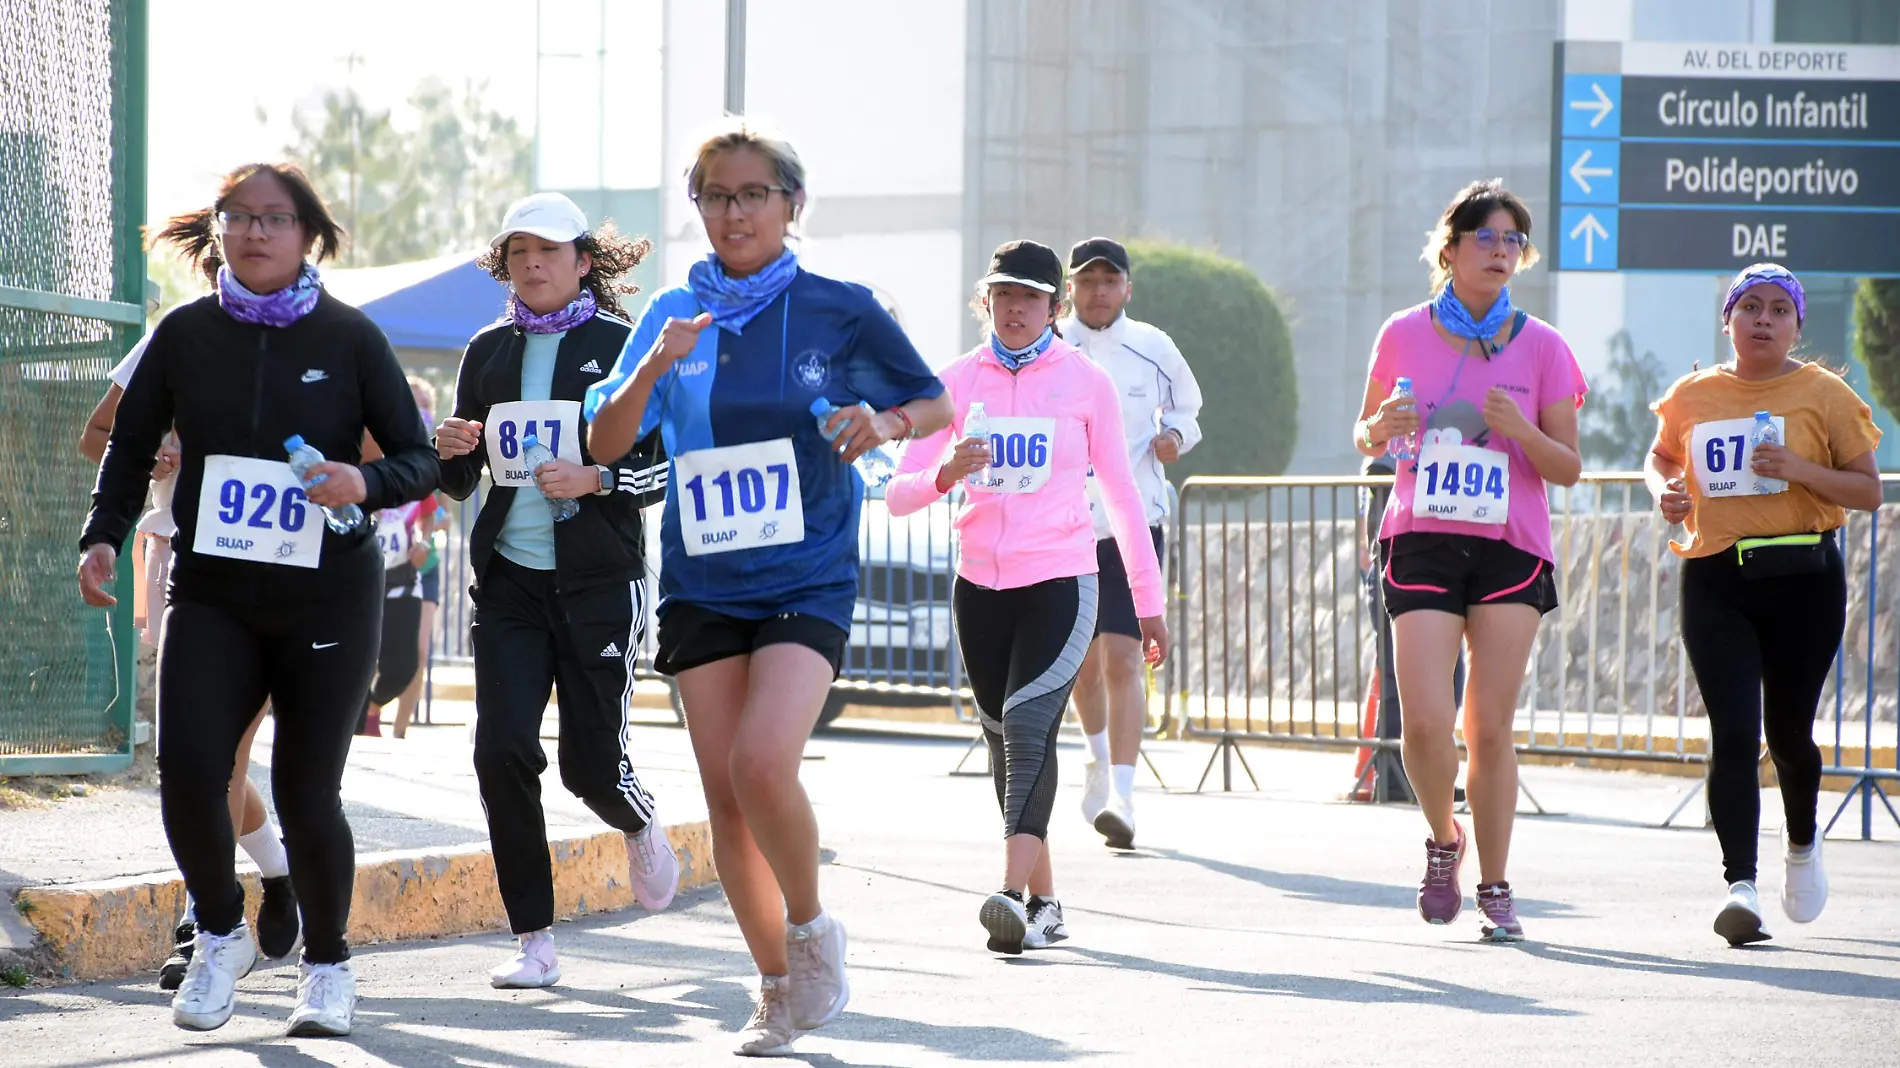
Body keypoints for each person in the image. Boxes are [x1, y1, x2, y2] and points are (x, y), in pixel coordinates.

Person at [585, 122, 951, 1056]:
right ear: (697, 207)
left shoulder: (841, 308)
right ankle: (777, 989)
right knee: (726, 802)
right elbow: (604, 445)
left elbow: (935, 404)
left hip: (808, 573)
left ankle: (813, 925)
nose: (734, 211)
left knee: (761, 762)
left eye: (754, 194)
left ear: (792, 204)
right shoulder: (673, 312)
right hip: (704, 582)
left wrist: (885, 418)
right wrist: (655, 367)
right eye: (715, 195)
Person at [77, 162, 439, 1036]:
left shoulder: (350, 338)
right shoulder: (185, 333)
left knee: (311, 791)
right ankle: (220, 930)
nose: (254, 232)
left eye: (275, 219)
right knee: (188, 773)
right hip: (214, 589)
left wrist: (364, 479)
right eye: (238, 216)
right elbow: (127, 448)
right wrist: (101, 535)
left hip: (326, 596)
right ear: (220, 229)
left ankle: (327, 966)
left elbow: (421, 461)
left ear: (308, 235)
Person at [888, 239, 1170, 957]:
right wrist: (945, 473)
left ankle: (1009, 895)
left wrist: (1147, 600)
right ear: (986, 301)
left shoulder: (1085, 382)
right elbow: (897, 491)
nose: (1016, 309)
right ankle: (1045, 904)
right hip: (979, 586)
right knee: (1004, 741)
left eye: (1031, 298)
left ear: (1055, 306)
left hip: (1062, 579)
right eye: (1004, 295)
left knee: (1026, 722)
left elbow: (1123, 495)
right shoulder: (952, 382)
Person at [434, 192, 680, 990]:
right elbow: (462, 478)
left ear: (583, 261)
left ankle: (637, 819)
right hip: (510, 580)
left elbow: (663, 469)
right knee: (500, 750)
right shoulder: (487, 350)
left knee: (589, 769)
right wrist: (449, 447)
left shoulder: (622, 345)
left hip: (598, 583)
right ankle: (533, 938)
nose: (532, 264)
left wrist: (597, 475)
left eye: (548, 250)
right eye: (517, 252)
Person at [1351, 179, 1585, 943]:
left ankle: (1495, 883)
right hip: (1421, 534)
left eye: (1512, 239)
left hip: (1509, 545)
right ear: (1448, 250)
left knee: (1488, 726)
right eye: (1484, 236)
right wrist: (1381, 426)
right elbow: (1366, 435)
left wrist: (1519, 426)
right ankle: (1443, 838)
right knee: (1423, 723)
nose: (1499, 249)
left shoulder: (1543, 346)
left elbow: (1568, 468)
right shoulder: (1402, 332)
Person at [1644, 264, 1881, 946]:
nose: (1763, 320)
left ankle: (1802, 843)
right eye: (1750, 307)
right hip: (1716, 578)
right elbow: (1659, 456)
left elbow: (1867, 491)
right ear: (1729, 319)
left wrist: (1798, 469)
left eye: (1780, 309)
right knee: (1734, 733)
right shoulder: (1694, 393)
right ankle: (1740, 886)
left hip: (1804, 577)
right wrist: (1666, 490)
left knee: (1788, 736)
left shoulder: (1824, 394)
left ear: (1798, 325)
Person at [79, 343, 301, 988]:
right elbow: (99, 435)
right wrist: (154, 455)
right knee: (199, 752)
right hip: (178, 556)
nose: (248, 245)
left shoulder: (317, 336)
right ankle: (276, 869)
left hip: (269, 562)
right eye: (228, 241)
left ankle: (203, 918)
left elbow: (373, 454)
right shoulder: (175, 338)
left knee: (224, 749)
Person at [1058, 236, 1201, 849]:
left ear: (1127, 288)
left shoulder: (1154, 347)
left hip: (1133, 523)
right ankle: (1095, 759)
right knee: (1082, 668)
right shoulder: (1051, 346)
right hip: (1061, 528)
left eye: (1109, 281)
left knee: (1122, 658)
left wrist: (1174, 438)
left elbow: (1190, 412)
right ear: (1070, 289)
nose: (1098, 292)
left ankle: (1123, 794)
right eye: (1087, 281)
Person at [394, 377, 449, 741]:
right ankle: (367, 718)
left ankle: (399, 732)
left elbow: (444, 514)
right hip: (384, 566)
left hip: (423, 565)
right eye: (410, 404)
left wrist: (426, 533)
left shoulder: (436, 455)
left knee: (419, 648)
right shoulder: (384, 449)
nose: (419, 413)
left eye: (424, 406)